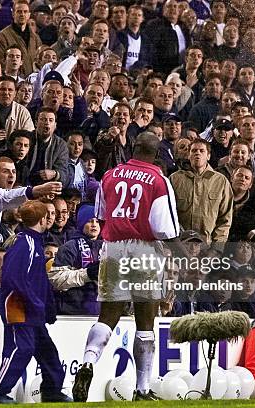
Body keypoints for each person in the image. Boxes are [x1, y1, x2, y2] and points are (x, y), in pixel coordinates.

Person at [73, 133, 180, 402]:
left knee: (108, 315)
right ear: (156, 154)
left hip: (113, 248)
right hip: (144, 249)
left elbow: (100, 215)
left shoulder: (110, 175)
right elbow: (164, 228)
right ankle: (142, 389)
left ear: (133, 147)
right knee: (145, 321)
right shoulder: (158, 180)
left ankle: (87, 363)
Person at [0, 201, 72, 403]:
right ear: (42, 219)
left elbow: (38, 280)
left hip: (32, 309)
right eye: (47, 215)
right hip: (19, 308)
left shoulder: (33, 242)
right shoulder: (25, 243)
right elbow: (13, 278)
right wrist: (37, 303)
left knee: (48, 352)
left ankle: (52, 390)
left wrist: (47, 306)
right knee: (20, 348)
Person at [0, 157, 62, 251]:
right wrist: (35, 190)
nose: (11, 175)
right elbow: (6, 197)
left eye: (14, 172)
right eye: (5, 171)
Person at [170, 139, 233, 246]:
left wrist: (216, 249)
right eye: (194, 151)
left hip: (207, 247)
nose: (197, 153)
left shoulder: (221, 181)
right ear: (188, 155)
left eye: (201, 151)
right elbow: (169, 214)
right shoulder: (175, 179)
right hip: (180, 245)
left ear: (208, 156)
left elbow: (225, 219)